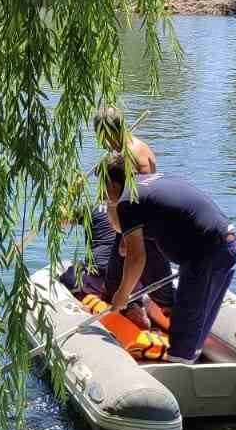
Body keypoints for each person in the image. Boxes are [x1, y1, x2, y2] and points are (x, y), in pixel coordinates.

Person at [103, 159, 236, 362]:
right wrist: (124, 235)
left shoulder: (127, 200)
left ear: (113, 184)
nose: (103, 194)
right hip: (226, 244)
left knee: (185, 326)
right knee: (198, 322)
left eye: (103, 187)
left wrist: (122, 294)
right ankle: (190, 359)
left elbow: (136, 258)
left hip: (205, 253)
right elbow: (157, 220)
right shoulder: (150, 182)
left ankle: (180, 368)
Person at [60, 106, 171, 319]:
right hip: (139, 223)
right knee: (119, 279)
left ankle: (137, 311)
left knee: (126, 280)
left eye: (102, 136)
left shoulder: (129, 156)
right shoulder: (135, 148)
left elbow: (114, 197)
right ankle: (135, 308)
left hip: (136, 225)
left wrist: (75, 192)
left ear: (109, 131)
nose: (102, 143)